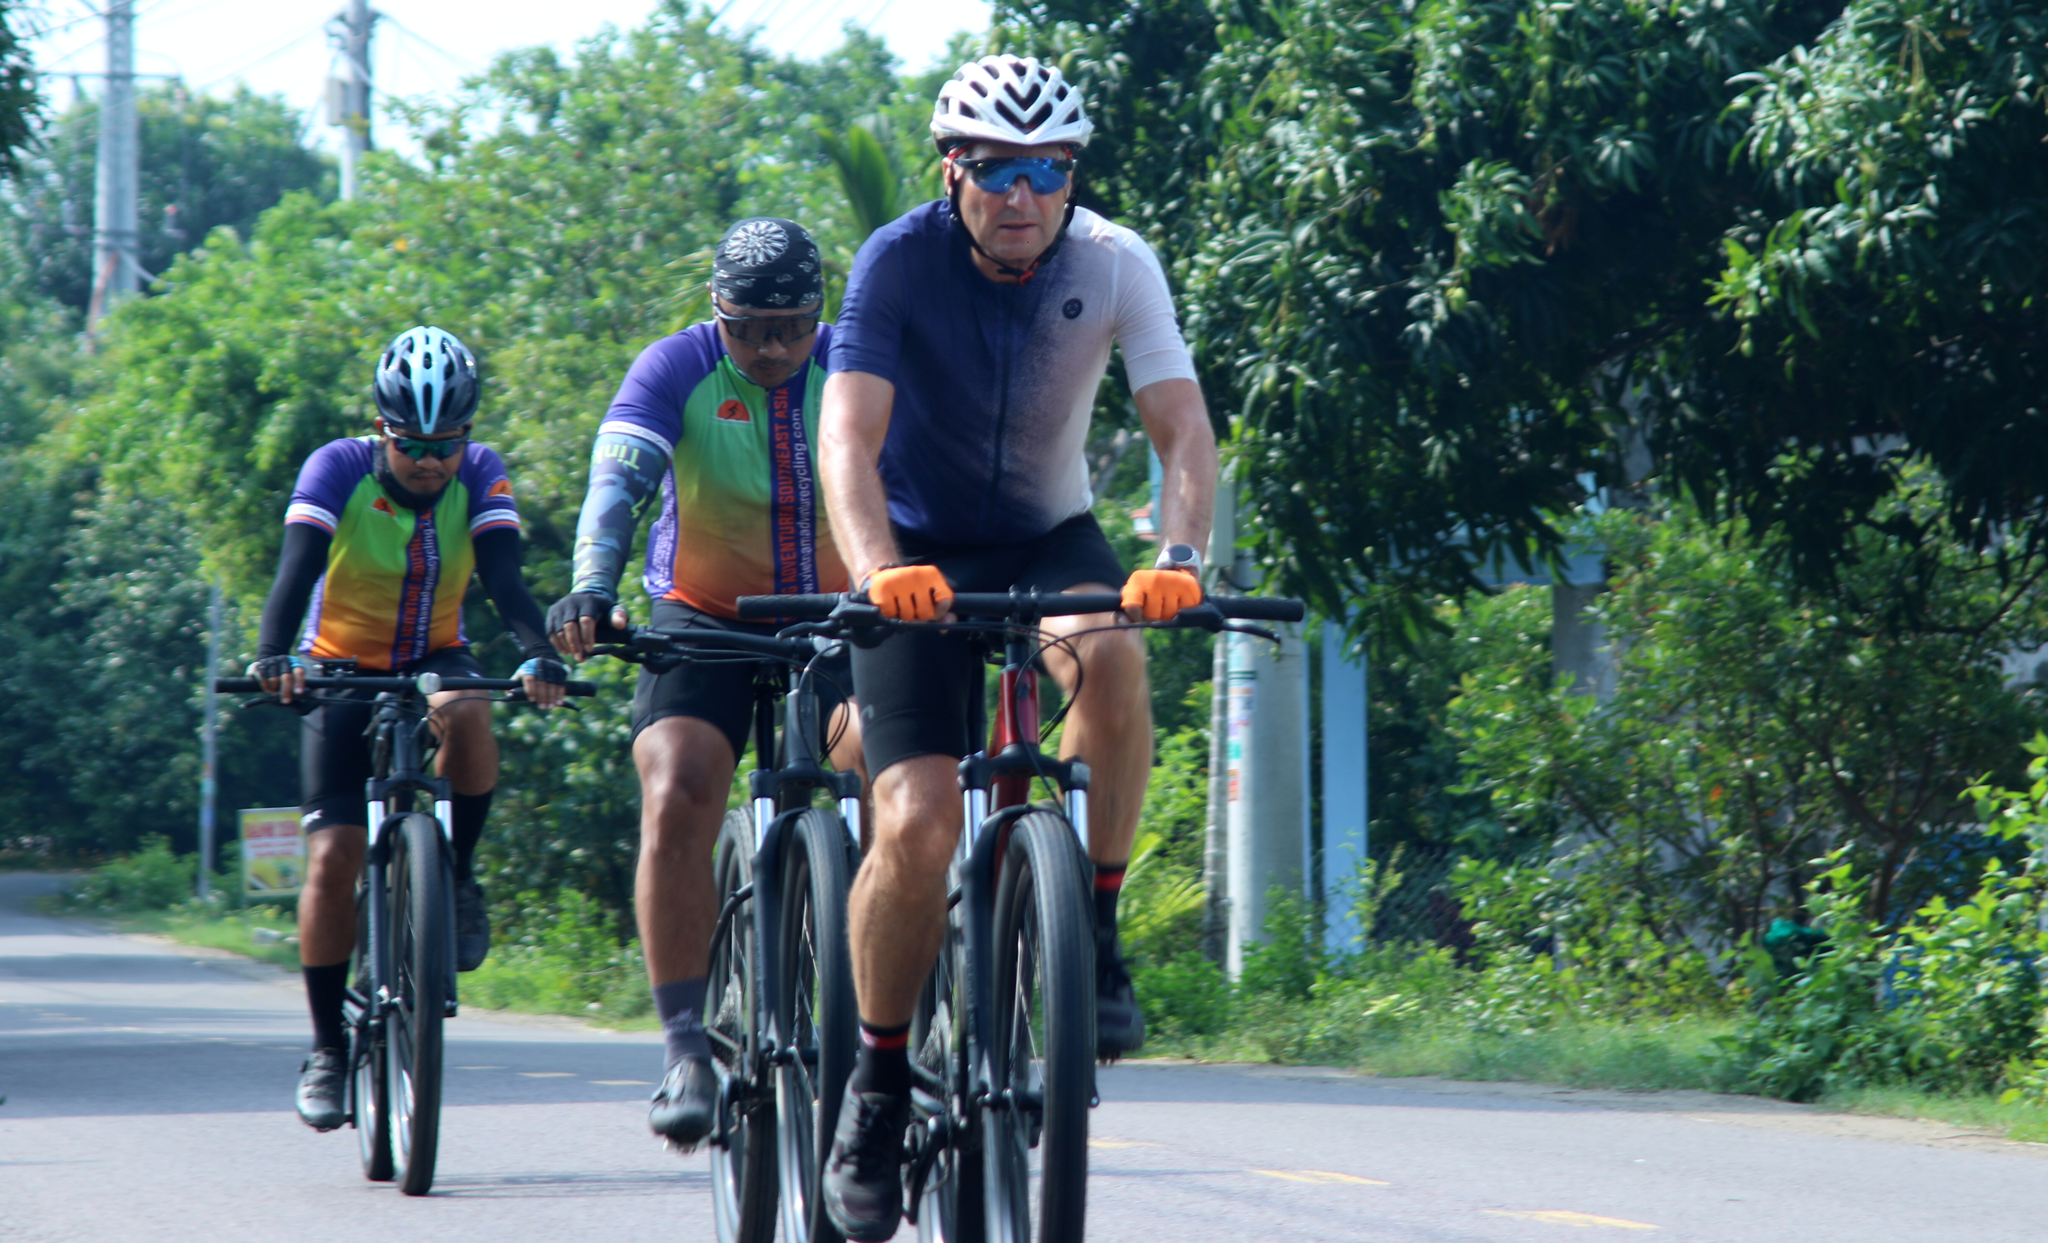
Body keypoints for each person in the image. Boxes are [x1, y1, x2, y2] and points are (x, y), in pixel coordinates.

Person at [813, 56, 1218, 1239]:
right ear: (956, 170)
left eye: (1045, 172)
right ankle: (878, 1084)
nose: (1020, 195)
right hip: (914, 551)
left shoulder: (1113, 261)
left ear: (1069, 176)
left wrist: (1179, 554)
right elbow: (848, 437)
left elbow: (1179, 426)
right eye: (995, 171)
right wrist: (879, 565)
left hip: (1045, 534)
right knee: (919, 820)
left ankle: (1090, 927)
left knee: (1115, 647)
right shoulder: (894, 261)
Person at [547, 217, 862, 1150]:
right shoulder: (673, 367)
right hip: (704, 615)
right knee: (679, 785)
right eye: (746, 327)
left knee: (888, 766)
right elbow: (619, 484)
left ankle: (887, 996)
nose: (769, 349)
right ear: (714, 314)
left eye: (791, 328)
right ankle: (686, 1046)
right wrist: (595, 587)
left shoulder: (853, 364)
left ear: (820, 316)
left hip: (843, 614)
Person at [248, 326, 568, 1132]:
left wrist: (539, 655)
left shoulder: (482, 474)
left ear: (467, 434)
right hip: (336, 665)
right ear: (382, 428)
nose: (430, 461)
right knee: (333, 858)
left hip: (436, 654)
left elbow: (504, 579)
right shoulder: (338, 468)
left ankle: (454, 877)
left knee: (469, 710)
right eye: (412, 444)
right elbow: (297, 568)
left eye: (446, 444)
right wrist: (271, 656)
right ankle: (327, 1048)